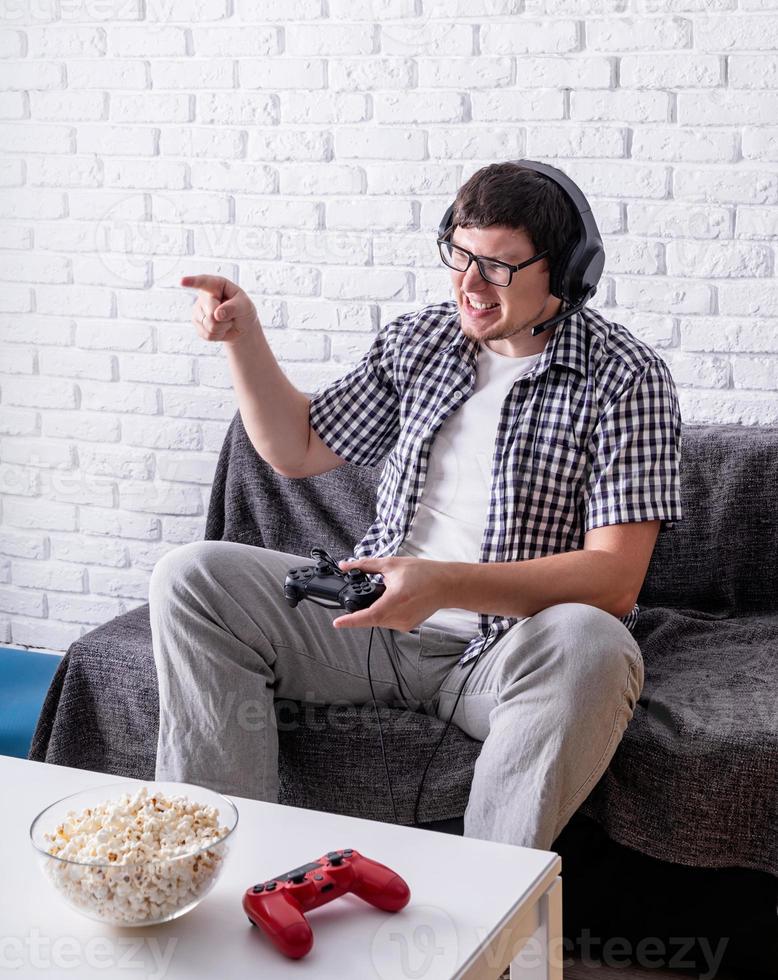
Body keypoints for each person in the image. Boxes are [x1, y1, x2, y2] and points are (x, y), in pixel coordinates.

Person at [150, 161, 683, 851]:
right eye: (459, 255)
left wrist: (444, 584)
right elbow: (298, 446)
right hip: (372, 623)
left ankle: (489, 913)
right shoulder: (421, 340)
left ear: (568, 275)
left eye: (498, 266)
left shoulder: (625, 378)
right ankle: (212, 872)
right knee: (192, 576)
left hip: (504, 657)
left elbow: (614, 582)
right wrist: (243, 338)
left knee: (595, 643)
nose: (469, 284)